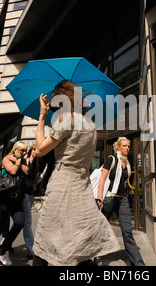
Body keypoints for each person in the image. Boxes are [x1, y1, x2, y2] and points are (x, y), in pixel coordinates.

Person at [32, 81, 120, 266]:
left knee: (46, 236)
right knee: (80, 238)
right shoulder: (90, 124)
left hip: (62, 182)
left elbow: (40, 149)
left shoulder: (66, 120)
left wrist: (42, 117)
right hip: (82, 184)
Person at [97, 137, 145, 266]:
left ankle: (139, 264)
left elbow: (123, 182)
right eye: (124, 146)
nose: (127, 148)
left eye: (128, 146)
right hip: (109, 198)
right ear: (118, 147)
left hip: (122, 199)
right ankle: (90, 257)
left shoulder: (127, 163)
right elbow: (102, 179)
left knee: (127, 231)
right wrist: (99, 198)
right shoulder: (111, 159)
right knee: (99, 229)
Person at [0, 141, 29, 266]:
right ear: (15, 149)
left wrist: (22, 160)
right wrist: (18, 159)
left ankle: (3, 250)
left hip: (16, 200)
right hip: (3, 199)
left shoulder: (22, 161)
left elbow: (27, 172)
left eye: (25, 150)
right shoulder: (6, 159)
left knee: (20, 222)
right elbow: (13, 171)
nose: (24, 153)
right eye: (22, 150)